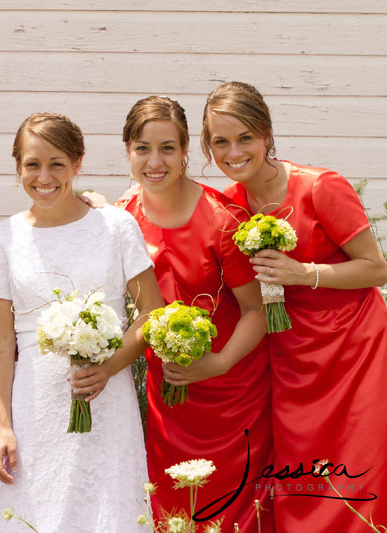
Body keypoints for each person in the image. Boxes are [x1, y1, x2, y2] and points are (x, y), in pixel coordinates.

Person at [202, 81, 387, 531]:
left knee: (359, 473)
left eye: (245, 137)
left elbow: (376, 268)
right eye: (220, 141)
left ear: (267, 134)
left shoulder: (320, 186)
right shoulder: (228, 205)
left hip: (352, 352)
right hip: (288, 356)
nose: (234, 152)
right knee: (304, 475)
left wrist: (306, 272)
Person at [0, 112, 163, 532]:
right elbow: (1, 337)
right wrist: (2, 425)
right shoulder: (2, 239)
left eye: (57, 163)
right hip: (34, 405)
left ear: (78, 165)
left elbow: (152, 311)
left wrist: (110, 367)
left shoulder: (115, 227)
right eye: (32, 164)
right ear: (18, 167)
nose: (44, 176)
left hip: (107, 399)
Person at [115, 96, 272, 530]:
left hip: (231, 390)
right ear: (127, 150)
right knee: (173, 507)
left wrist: (217, 363)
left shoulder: (223, 220)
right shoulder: (123, 217)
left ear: (186, 151)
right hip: (168, 395)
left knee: (232, 508)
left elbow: (257, 310)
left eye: (168, 148)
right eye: (142, 148)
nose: (155, 161)